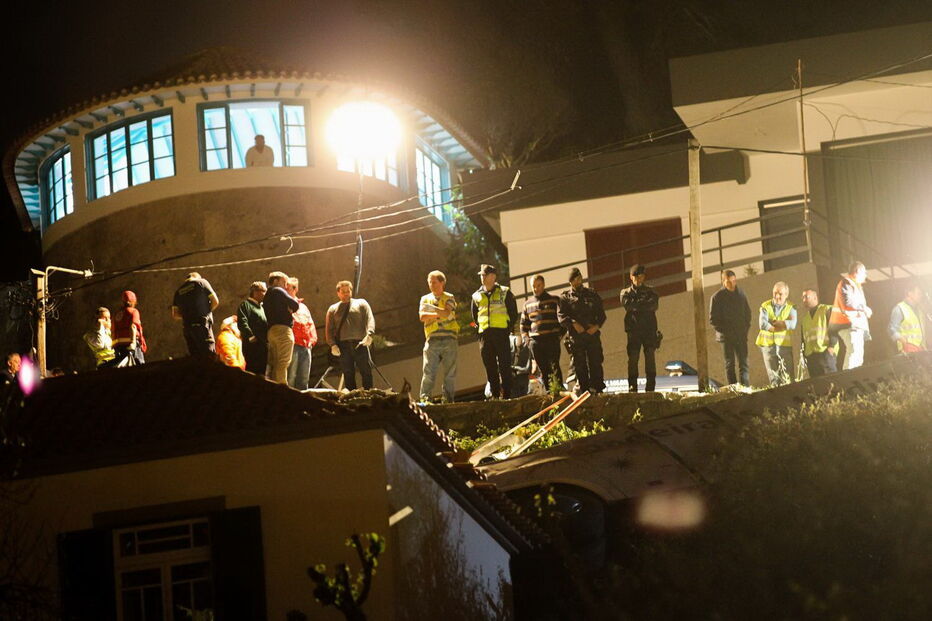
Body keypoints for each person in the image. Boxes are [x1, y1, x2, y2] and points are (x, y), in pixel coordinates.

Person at [470, 264, 519, 399]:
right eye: (481, 275)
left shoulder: (504, 291)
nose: (482, 277)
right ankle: (496, 395)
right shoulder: (476, 296)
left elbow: (513, 312)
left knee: (505, 365)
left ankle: (508, 395)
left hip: (501, 334)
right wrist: (478, 332)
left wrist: (507, 328)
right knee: (490, 367)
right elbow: (473, 319)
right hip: (485, 337)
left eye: (484, 275)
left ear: (493, 276)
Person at [557, 267, 606, 395]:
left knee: (595, 362)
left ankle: (598, 389)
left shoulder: (592, 294)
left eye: (579, 278)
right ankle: (584, 391)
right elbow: (561, 317)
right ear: (570, 282)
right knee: (580, 365)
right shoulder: (565, 297)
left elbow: (601, 315)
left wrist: (596, 327)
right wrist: (573, 323)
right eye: (575, 279)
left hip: (592, 334)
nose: (578, 281)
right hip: (577, 337)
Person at [325, 281, 376, 391]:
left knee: (366, 371)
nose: (346, 294)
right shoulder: (333, 309)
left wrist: (370, 334)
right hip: (343, 346)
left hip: (360, 343)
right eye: (343, 292)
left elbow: (369, 319)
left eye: (348, 291)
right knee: (348, 373)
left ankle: (370, 395)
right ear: (338, 293)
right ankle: (351, 398)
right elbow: (329, 329)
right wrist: (332, 344)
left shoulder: (361, 303)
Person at [418, 270, 459, 403]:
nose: (431, 284)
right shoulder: (425, 298)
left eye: (434, 282)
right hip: (432, 339)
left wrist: (432, 309)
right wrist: (438, 314)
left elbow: (447, 313)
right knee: (429, 371)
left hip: (449, 339)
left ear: (442, 283)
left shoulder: (449, 297)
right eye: (429, 282)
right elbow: (422, 316)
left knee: (449, 373)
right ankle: (425, 399)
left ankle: (448, 400)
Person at [620, 264, 660, 393]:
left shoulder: (651, 291)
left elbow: (653, 305)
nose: (638, 278)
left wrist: (637, 304)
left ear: (644, 277)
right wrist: (642, 304)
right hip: (634, 330)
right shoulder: (625, 292)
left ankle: (650, 388)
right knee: (633, 358)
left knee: (650, 357)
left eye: (640, 276)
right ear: (631, 277)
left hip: (649, 329)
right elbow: (628, 306)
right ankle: (632, 388)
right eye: (635, 276)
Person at [520, 274, 564, 393]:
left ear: (543, 285)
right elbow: (523, 327)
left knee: (554, 366)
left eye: (538, 285)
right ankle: (550, 392)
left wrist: (559, 335)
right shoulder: (527, 304)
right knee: (544, 369)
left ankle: (559, 390)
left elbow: (563, 320)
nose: (536, 288)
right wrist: (528, 342)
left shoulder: (554, 300)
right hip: (536, 342)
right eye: (533, 286)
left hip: (552, 339)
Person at [709, 270, 752, 386]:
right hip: (726, 338)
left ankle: (745, 387)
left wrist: (744, 330)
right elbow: (713, 320)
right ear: (723, 282)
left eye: (734, 281)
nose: (732, 284)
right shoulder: (717, 297)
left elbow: (748, 314)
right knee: (730, 364)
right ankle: (734, 389)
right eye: (729, 282)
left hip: (740, 335)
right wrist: (726, 331)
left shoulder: (741, 294)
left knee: (744, 363)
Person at [829, 261, 872, 370]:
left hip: (853, 326)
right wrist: (864, 308)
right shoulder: (846, 283)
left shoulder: (854, 285)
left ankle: (854, 379)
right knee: (853, 351)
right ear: (857, 272)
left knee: (857, 354)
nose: (866, 276)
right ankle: (848, 380)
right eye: (864, 273)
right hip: (846, 325)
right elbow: (847, 303)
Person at [755, 281, 797, 386]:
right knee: (774, 378)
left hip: (784, 347)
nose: (777, 296)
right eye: (775, 293)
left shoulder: (791, 307)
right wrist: (777, 327)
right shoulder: (765, 305)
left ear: (786, 294)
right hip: (768, 347)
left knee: (788, 377)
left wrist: (779, 323)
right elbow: (762, 324)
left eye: (780, 294)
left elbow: (793, 324)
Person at [171, 272, 220, 358]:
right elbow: (215, 301)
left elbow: (175, 314)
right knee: (209, 357)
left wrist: (188, 315)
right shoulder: (201, 282)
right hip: (202, 326)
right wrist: (205, 312)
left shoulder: (178, 292)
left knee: (195, 358)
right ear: (197, 277)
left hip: (188, 329)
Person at [264, 271, 300, 384]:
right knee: (283, 363)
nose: (286, 286)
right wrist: (290, 308)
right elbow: (295, 304)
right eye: (284, 282)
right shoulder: (277, 290)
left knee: (275, 363)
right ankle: (282, 389)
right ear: (275, 281)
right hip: (283, 331)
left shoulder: (267, 296)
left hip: (272, 331)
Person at [286, 277, 318, 390]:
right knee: (291, 377)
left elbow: (311, 325)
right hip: (293, 345)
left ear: (295, 289)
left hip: (305, 346)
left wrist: (312, 341)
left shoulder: (303, 307)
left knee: (304, 378)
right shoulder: (284, 306)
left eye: (289, 288)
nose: (286, 290)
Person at [800, 289, 837, 378]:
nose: (804, 299)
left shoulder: (826, 309)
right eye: (803, 297)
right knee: (817, 385)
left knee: (831, 381)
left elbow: (834, 329)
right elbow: (803, 339)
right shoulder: (805, 319)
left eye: (806, 297)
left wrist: (831, 347)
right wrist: (804, 354)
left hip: (825, 353)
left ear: (815, 297)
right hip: (811, 357)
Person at [237, 281, 269, 375]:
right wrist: (251, 336)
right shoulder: (246, 305)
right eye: (264, 291)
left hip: (262, 345)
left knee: (261, 372)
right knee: (252, 371)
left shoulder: (262, 308)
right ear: (255, 292)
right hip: (252, 345)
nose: (265, 294)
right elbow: (242, 323)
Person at [888, 283, 926, 353]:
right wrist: (903, 341)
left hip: (920, 349)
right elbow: (891, 330)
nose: (920, 296)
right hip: (907, 350)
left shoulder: (919, 310)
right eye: (918, 293)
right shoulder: (899, 308)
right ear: (910, 293)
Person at [112, 290, 146, 366]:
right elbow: (133, 326)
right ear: (133, 301)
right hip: (129, 343)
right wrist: (133, 343)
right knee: (140, 365)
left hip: (118, 346)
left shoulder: (116, 314)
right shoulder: (133, 311)